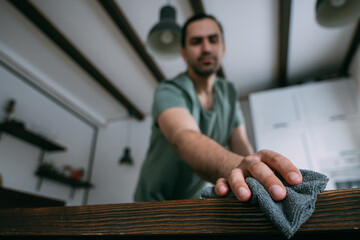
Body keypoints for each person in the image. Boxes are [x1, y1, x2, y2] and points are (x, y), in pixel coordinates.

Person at [134, 14, 302, 202]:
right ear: (184, 53)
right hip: (154, 204)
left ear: (223, 48)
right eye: (196, 42)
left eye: (213, 40)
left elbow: (241, 146)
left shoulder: (229, 93)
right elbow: (184, 138)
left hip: (198, 203)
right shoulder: (169, 90)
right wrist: (244, 167)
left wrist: (256, 171)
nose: (206, 48)